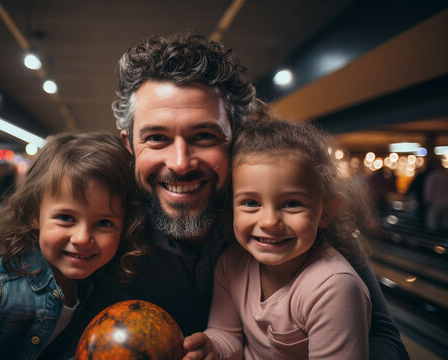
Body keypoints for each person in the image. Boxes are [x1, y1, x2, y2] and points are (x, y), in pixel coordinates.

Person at [45, 33, 408, 359]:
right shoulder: (105, 225)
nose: (181, 163)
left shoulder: (293, 215)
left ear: (237, 137)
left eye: (204, 136)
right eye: (157, 138)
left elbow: (386, 342)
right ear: (130, 146)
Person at [0, 133, 144, 359]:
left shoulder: (104, 291)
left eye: (104, 223)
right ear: (33, 214)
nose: (82, 238)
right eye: (66, 218)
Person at [184, 119, 372, 359]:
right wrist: (213, 347)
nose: (270, 221)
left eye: (292, 204)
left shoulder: (333, 288)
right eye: (251, 203)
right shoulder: (231, 264)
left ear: (325, 212)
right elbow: (226, 333)